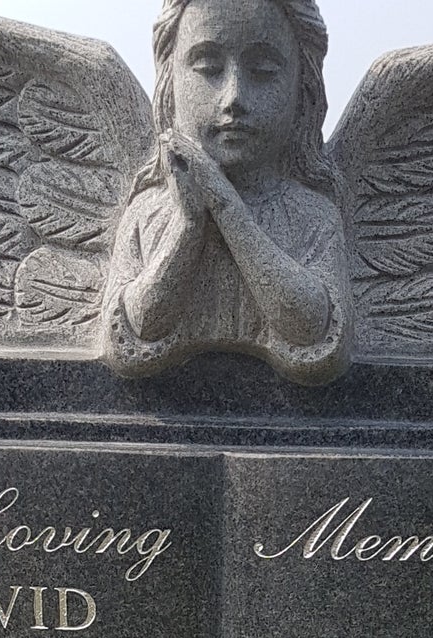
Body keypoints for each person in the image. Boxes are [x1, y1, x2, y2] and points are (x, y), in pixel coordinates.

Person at [102, 0, 353, 383]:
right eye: (208, 69)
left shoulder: (312, 214)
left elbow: (313, 334)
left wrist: (225, 206)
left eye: (263, 71)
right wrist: (188, 224)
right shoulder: (147, 212)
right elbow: (136, 331)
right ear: (170, 79)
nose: (234, 97)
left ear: (303, 87)